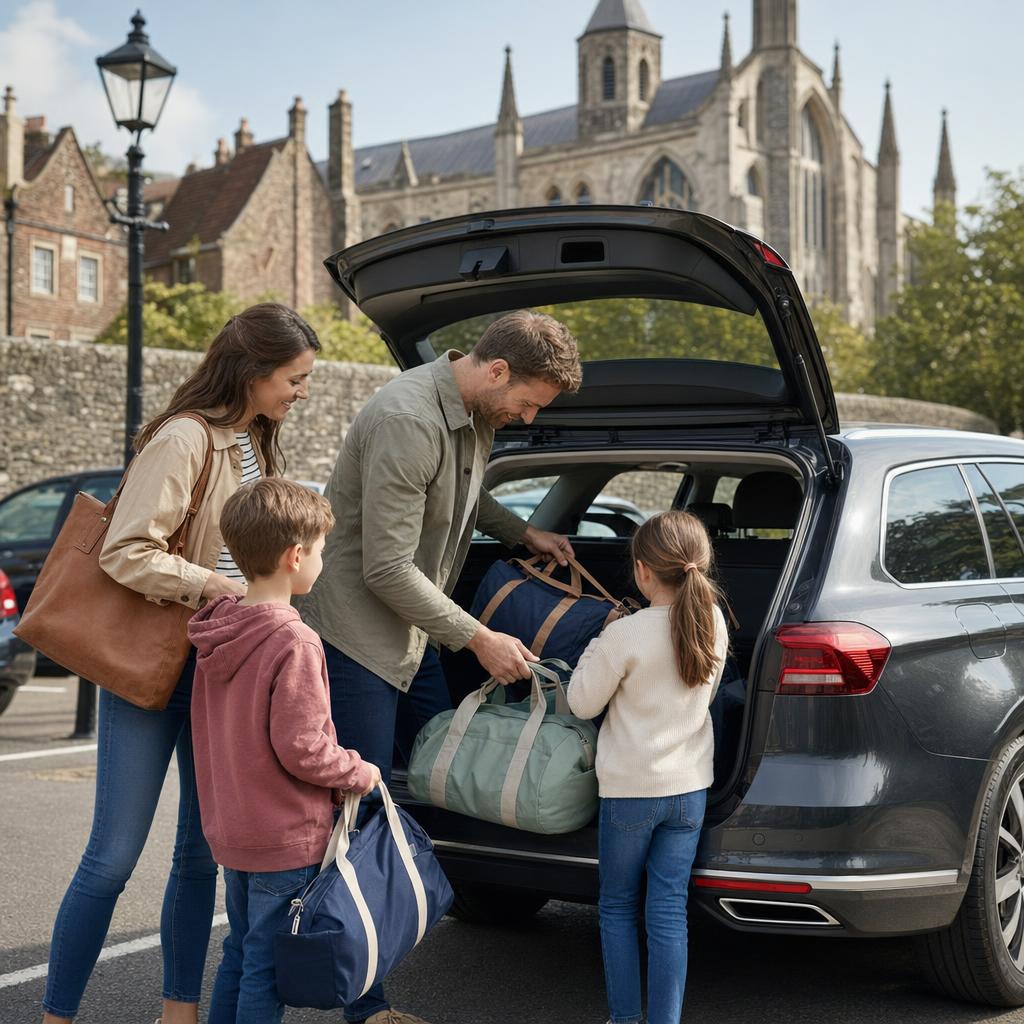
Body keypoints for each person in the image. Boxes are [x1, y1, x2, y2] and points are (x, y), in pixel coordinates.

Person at [300, 309, 583, 1024]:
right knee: (361, 815)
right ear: (495, 372)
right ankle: (365, 1004)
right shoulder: (408, 417)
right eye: (527, 403)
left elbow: (464, 491)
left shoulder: (472, 413)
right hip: (360, 636)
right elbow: (387, 568)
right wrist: (476, 638)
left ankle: (449, 902)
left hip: (412, 634)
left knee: (449, 775)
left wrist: (523, 533)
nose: (524, 418)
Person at [41, 304, 321, 1024]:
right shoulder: (184, 438)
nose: (301, 391)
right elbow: (126, 551)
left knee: (200, 856)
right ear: (255, 373)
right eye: (295, 378)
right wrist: (217, 584)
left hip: (219, 668)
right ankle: (55, 1015)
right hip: (152, 668)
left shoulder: (257, 440)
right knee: (112, 857)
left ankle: (179, 1013)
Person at [188, 477, 380, 1024]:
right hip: (283, 834)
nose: (322, 560)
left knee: (241, 952)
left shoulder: (217, 628)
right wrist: (358, 771)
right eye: (320, 550)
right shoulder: (294, 639)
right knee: (267, 968)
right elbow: (303, 748)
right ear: (296, 556)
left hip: (233, 829)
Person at [567, 510, 729, 1024]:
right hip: (689, 792)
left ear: (642, 571)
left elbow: (581, 703)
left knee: (617, 906)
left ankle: (624, 1018)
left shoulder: (626, 635)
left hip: (631, 793)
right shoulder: (716, 623)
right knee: (667, 910)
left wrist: (600, 638)